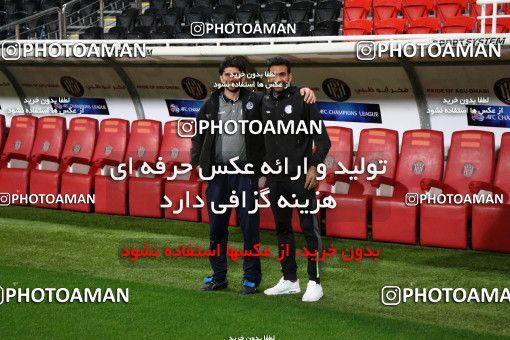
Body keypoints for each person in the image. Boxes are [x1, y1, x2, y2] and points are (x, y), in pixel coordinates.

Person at [190, 55, 317, 294]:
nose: (231, 78)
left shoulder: (257, 100)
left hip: (246, 174)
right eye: (227, 74)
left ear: (244, 77)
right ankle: (218, 276)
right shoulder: (211, 103)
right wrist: (197, 163)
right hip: (218, 174)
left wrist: (304, 91)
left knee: (250, 227)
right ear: (221, 78)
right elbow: (198, 135)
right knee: (217, 228)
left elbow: (281, 94)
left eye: (236, 73)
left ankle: (251, 278)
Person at [261, 56, 331, 302]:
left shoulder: (304, 98)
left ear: (289, 77)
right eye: (274, 74)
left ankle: (315, 282)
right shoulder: (263, 101)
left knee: (308, 228)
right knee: (282, 229)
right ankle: (290, 279)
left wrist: (313, 167)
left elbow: (322, 140)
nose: (278, 79)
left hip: (302, 177)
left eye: (283, 74)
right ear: (267, 76)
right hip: (276, 178)